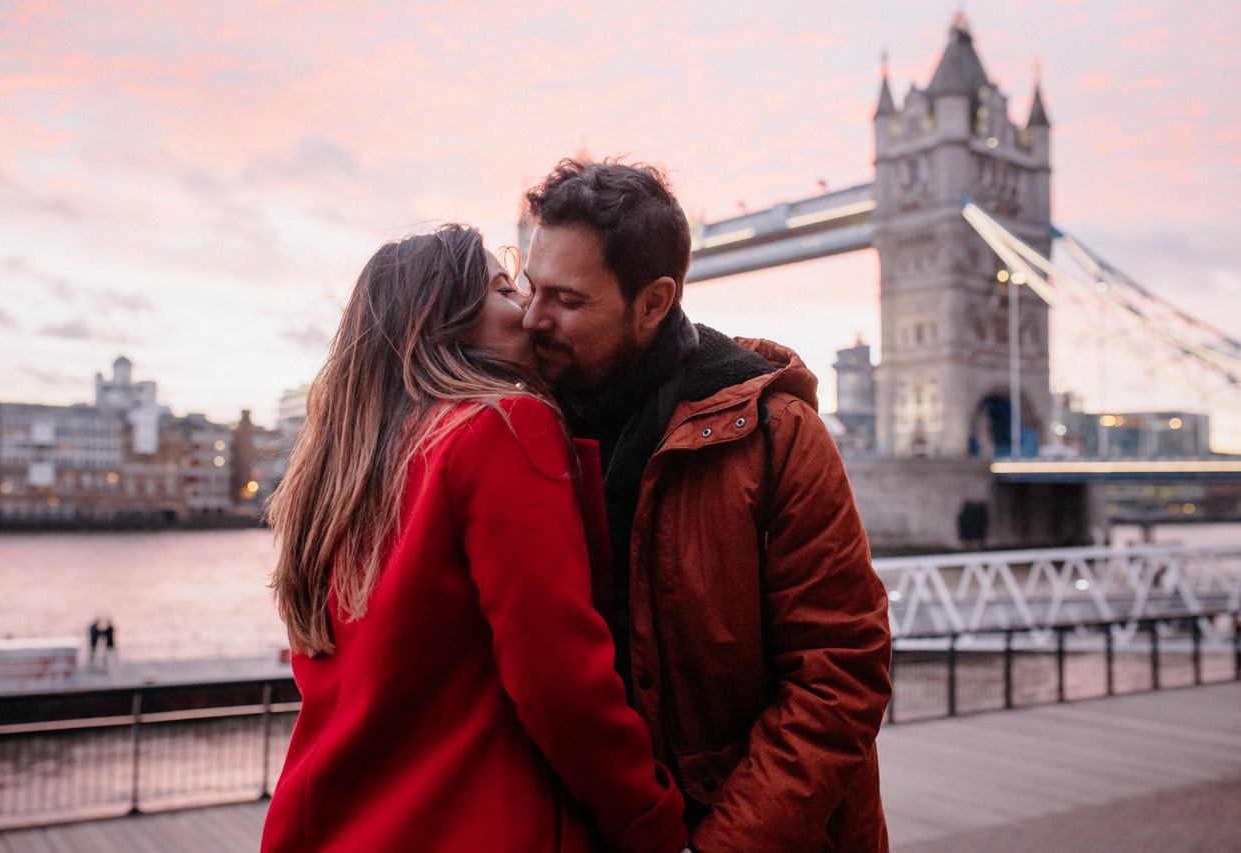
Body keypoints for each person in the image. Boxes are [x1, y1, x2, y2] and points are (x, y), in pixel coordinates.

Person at [260, 224, 687, 853]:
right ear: (447, 322)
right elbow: (560, 679)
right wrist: (652, 822)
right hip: (476, 824)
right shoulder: (502, 427)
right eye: (504, 290)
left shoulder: (333, 478)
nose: (530, 313)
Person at [521, 159, 893, 853]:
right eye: (527, 286)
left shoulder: (779, 435)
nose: (532, 318)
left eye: (567, 301)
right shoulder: (514, 430)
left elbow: (838, 672)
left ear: (654, 302)